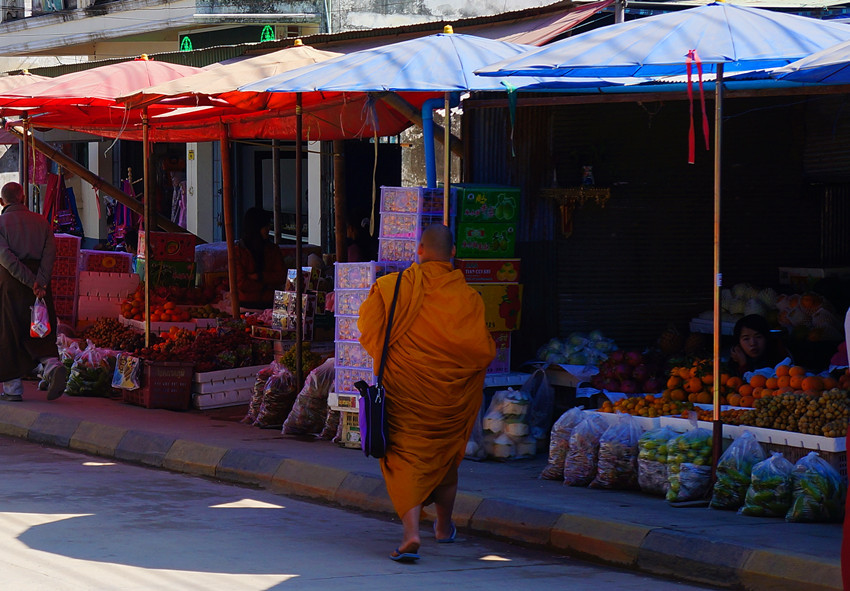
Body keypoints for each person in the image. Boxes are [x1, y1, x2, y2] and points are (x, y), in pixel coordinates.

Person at [357, 224, 495, 563]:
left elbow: (368, 329)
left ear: (418, 250)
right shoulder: (468, 299)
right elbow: (482, 352)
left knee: (406, 459)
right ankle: (444, 528)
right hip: (449, 400)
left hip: (406, 392)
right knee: (445, 461)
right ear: (453, 253)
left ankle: (411, 533)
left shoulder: (393, 287)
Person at [0, 181, 66, 402]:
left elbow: (6, 260)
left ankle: (13, 389)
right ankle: (51, 366)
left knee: (8, 332)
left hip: (10, 285)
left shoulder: (0, 224)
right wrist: (40, 281)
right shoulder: (42, 222)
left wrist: (29, 281)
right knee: (41, 326)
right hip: (40, 285)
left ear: (2, 202)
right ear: (24, 198)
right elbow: (50, 254)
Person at [234, 207, 286, 309]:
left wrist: (260, 276)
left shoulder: (273, 249)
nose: (268, 229)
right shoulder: (238, 251)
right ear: (255, 228)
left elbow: (282, 276)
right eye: (265, 226)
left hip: (271, 303)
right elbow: (241, 283)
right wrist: (267, 286)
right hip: (246, 305)